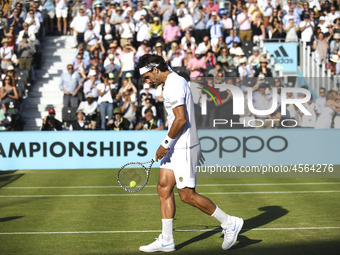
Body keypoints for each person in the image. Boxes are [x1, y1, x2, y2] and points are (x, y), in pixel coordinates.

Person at [137, 54, 243, 252]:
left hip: (181, 146)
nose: (147, 82)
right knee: (163, 187)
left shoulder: (174, 85)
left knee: (186, 195)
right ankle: (167, 240)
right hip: (179, 144)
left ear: (156, 70)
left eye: (147, 77)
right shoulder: (172, 82)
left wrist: (165, 144)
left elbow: (181, 119)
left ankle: (230, 223)